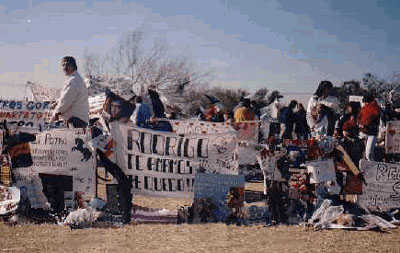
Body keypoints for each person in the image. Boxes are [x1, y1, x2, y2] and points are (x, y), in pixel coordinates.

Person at [51, 56, 89, 128]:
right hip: (79, 120)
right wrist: (57, 102)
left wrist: (56, 112)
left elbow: (66, 101)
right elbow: (66, 98)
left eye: (67, 65)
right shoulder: (75, 79)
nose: (65, 67)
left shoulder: (73, 81)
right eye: (63, 65)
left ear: (73, 66)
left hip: (75, 121)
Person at [358, 93, 381, 161]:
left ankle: (369, 165)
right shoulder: (375, 108)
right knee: (368, 153)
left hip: (369, 132)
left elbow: (372, 119)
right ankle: (370, 164)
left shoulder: (374, 109)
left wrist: (362, 124)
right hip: (366, 132)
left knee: (367, 153)